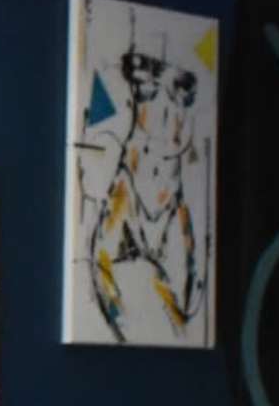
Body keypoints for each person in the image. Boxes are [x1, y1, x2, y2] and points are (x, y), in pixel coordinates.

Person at [86, 41, 206, 341]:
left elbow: (191, 299)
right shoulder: (126, 183)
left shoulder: (186, 198)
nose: (167, 113)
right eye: (147, 91)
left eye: (179, 97)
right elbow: (103, 262)